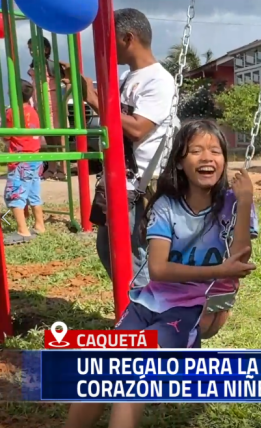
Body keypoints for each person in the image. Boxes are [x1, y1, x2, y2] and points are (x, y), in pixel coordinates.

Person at [63, 119, 259, 428]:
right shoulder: (167, 206)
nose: (207, 157)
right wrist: (220, 269)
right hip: (148, 303)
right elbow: (158, 269)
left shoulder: (232, 204)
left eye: (215, 151)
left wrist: (245, 201)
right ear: (180, 162)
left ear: (224, 160)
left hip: (193, 310)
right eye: (196, 150)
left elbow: (240, 259)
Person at [65, 8, 178, 293]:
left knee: (133, 256)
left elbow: (138, 127)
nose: (105, 47)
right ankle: (142, 312)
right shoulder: (129, 78)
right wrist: (88, 94)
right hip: (118, 179)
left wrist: (93, 96)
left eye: (110, 39)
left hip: (138, 184)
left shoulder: (159, 80)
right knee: (109, 249)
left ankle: (150, 320)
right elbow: (112, 117)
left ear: (128, 38)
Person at [3, 80, 45, 245]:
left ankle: (22, 231)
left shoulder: (12, 112)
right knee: (34, 192)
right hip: (34, 157)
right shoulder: (33, 111)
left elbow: (6, 136)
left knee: (14, 193)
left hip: (21, 159)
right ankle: (39, 225)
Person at [27, 37, 68, 181]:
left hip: (55, 105)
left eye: (35, 48)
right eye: (30, 49)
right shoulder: (34, 66)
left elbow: (66, 80)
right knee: (49, 137)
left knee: (59, 137)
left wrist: (65, 96)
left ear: (46, 50)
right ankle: (52, 167)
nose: (32, 51)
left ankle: (63, 168)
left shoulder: (51, 66)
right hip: (41, 105)